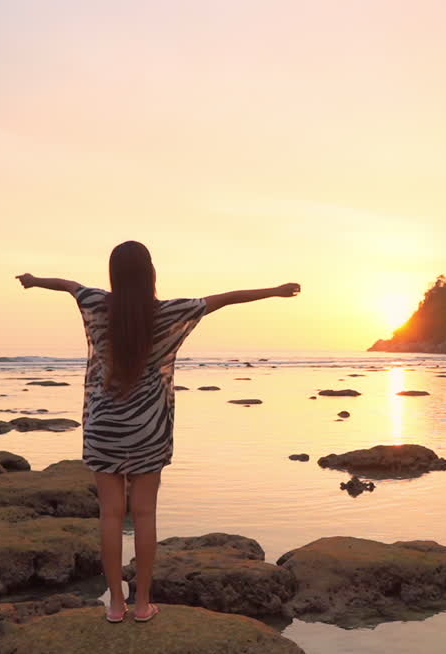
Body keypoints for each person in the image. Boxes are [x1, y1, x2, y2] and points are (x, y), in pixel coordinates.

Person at [16, 241, 299, 623]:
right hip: (149, 428)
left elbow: (66, 284)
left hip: (104, 425)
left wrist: (33, 281)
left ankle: (116, 604)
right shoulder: (170, 313)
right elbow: (228, 298)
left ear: (114, 274)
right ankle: (143, 603)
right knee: (145, 514)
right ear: (150, 274)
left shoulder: (96, 303)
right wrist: (276, 291)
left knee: (110, 516)